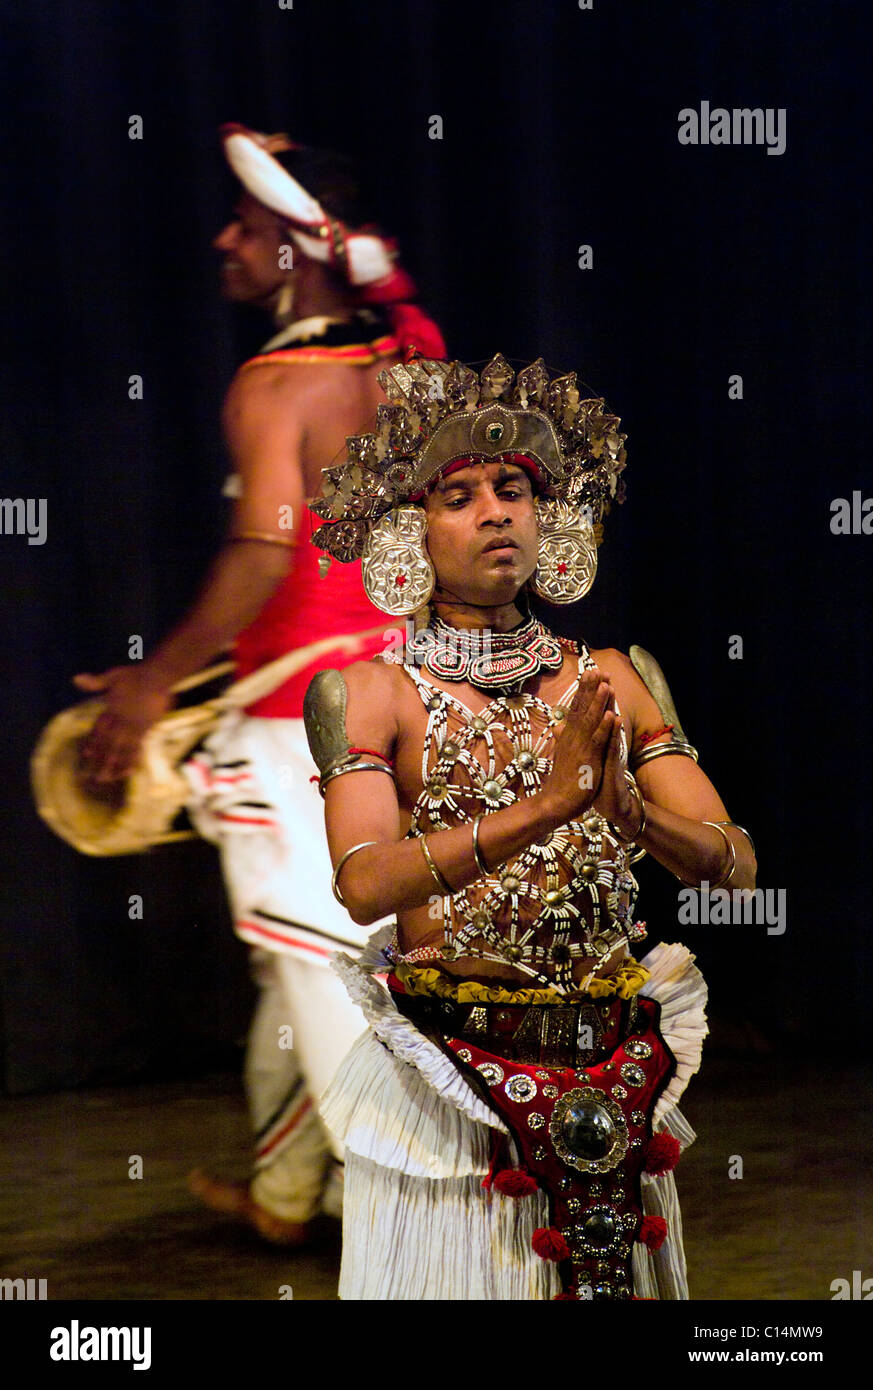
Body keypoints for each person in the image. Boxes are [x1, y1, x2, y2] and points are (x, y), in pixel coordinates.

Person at [303, 352, 756, 1298]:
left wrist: (635, 821)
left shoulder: (610, 677)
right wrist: (545, 808)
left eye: (512, 490)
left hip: (611, 1053)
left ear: (548, 521)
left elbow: (734, 865)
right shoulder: (372, 695)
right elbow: (363, 886)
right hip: (456, 1072)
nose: (495, 512)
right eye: (459, 497)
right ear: (406, 535)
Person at [74, 125, 446, 1244]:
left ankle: (430, 1216)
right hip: (409, 700)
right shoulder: (410, 365)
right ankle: (294, 1194)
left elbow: (265, 552)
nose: (224, 242)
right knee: (315, 956)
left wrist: (153, 685)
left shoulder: (276, 383)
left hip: (301, 731)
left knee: (323, 968)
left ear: (302, 244)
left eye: (246, 225)